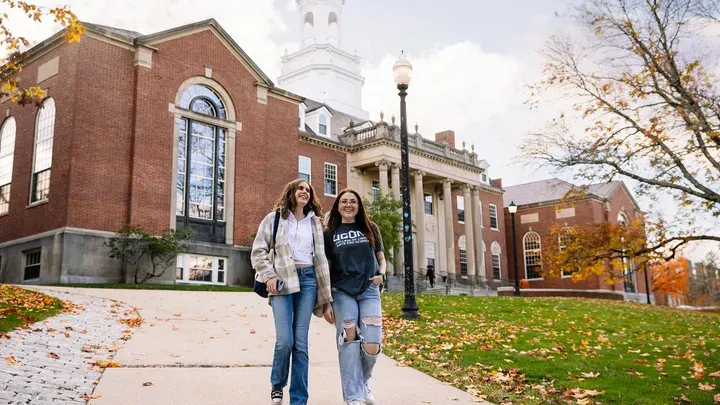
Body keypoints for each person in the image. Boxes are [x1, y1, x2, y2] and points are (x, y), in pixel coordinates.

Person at [251, 179, 332, 405]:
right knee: (284, 341)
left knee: (301, 343)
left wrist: (326, 299)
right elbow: (258, 252)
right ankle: (277, 384)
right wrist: (269, 276)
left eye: (308, 190)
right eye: (300, 188)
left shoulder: (315, 223)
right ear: (291, 192)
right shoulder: (274, 219)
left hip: (308, 281)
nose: (304, 192)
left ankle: (299, 399)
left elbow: (321, 260)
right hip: (281, 282)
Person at [322, 188, 386, 405]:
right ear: (337, 206)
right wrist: (326, 301)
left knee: (372, 343)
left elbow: (381, 258)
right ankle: (353, 397)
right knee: (349, 338)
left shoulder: (370, 228)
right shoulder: (329, 233)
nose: (348, 205)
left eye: (353, 201)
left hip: (369, 290)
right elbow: (327, 269)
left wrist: (382, 274)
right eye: (344, 201)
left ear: (359, 206)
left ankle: (363, 382)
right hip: (342, 291)